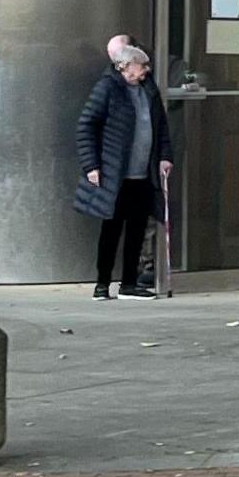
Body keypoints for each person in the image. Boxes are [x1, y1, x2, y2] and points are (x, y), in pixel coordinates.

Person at [74, 35, 177, 299]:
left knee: (137, 228)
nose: (146, 71)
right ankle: (102, 284)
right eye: (141, 66)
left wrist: (165, 156)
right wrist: (91, 165)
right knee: (112, 228)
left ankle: (129, 284)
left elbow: (161, 126)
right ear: (126, 66)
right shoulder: (107, 88)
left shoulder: (148, 89)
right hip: (115, 172)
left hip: (143, 172)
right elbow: (86, 125)